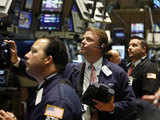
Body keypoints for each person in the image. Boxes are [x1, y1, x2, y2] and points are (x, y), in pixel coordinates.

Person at [0, 37, 82, 120]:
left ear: (48, 59)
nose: (26, 55)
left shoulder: (57, 101)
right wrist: (15, 60)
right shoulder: (49, 84)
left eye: (34, 51)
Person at [64, 27, 136, 120]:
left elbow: (131, 104)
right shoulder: (72, 70)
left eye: (88, 39)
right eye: (83, 38)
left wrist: (113, 107)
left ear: (101, 46)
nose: (83, 42)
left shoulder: (117, 73)